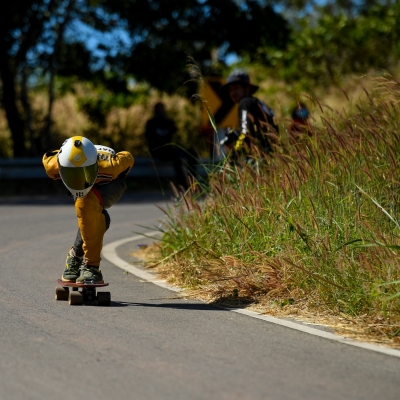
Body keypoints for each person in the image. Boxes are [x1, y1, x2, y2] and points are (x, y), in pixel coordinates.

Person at [42, 136, 134, 284]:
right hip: (93, 177)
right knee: (88, 213)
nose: (79, 179)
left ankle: (91, 267)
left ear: (95, 165)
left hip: (110, 182)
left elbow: (128, 158)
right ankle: (76, 255)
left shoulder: (110, 166)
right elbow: (48, 155)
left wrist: (111, 176)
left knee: (87, 204)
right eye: (72, 173)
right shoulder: (52, 166)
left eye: (85, 172)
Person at [219, 70, 279, 158]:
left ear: (247, 88)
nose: (233, 93)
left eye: (236, 88)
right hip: (272, 154)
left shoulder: (245, 103)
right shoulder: (259, 103)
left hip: (260, 157)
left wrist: (235, 151)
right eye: (230, 90)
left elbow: (245, 131)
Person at [144, 102, 198, 190]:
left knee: (191, 153)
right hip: (157, 151)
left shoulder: (168, 122)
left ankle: (192, 180)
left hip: (169, 150)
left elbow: (176, 134)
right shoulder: (151, 123)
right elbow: (148, 138)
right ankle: (183, 183)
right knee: (176, 156)